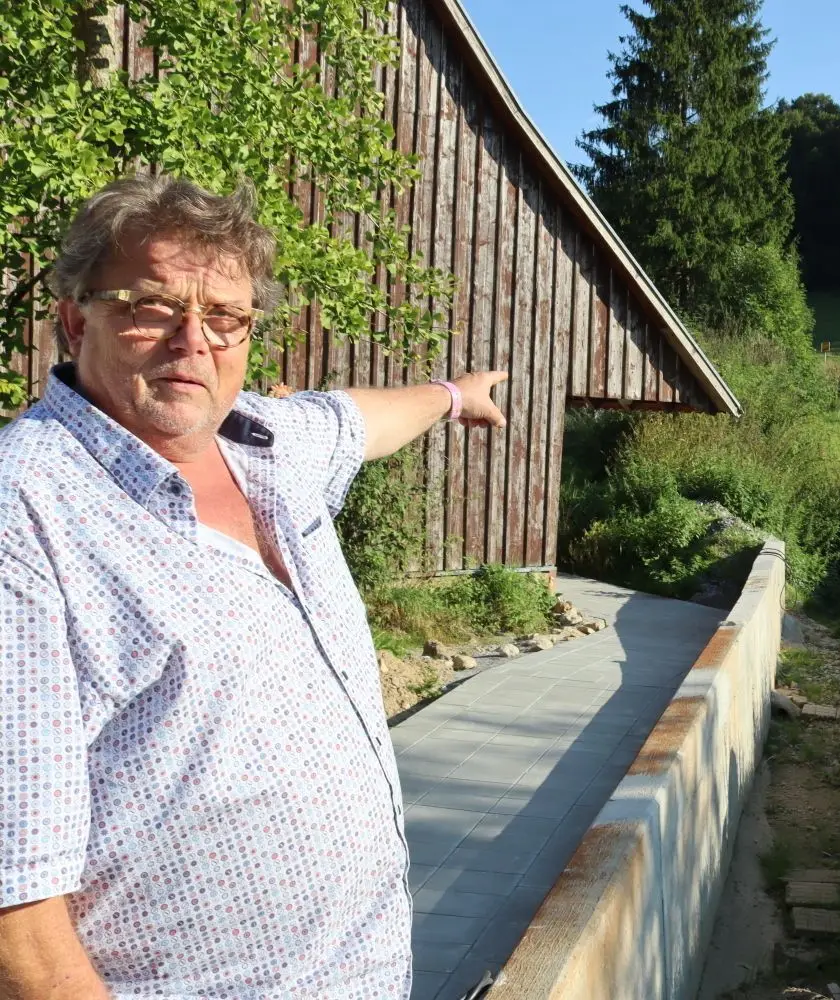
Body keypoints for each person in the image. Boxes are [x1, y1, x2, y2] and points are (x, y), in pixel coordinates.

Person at [0, 175, 508, 999]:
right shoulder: (25, 517)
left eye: (225, 317)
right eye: (151, 305)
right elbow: (14, 916)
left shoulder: (269, 444)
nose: (192, 341)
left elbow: (358, 419)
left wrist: (453, 397)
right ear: (74, 317)